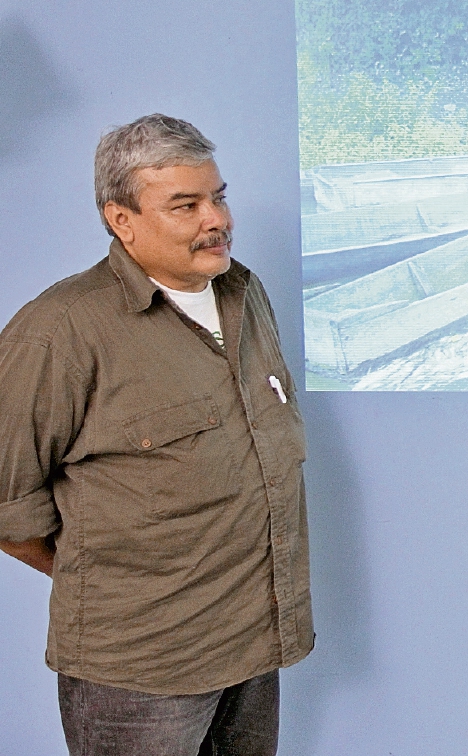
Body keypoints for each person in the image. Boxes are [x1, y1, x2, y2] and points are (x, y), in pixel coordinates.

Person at [0, 114, 313, 755]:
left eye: (219, 196)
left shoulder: (243, 292)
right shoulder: (57, 332)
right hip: (140, 672)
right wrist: (122, 588)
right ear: (122, 221)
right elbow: (6, 510)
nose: (216, 219)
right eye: (186, 205)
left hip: (254, 645)